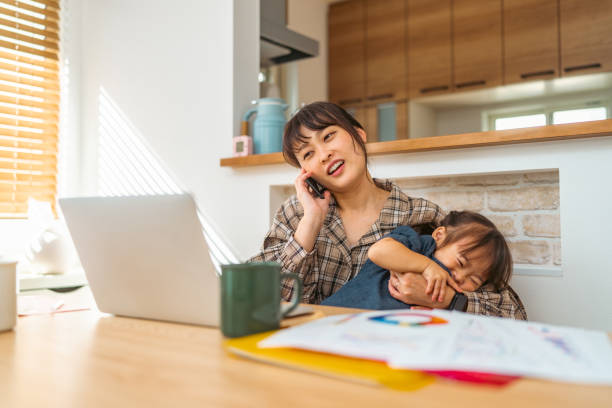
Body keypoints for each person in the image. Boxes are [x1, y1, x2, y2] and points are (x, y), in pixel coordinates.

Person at [248, 101, 527, 319]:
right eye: (308, 154)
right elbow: (255, 303)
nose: (323, 154)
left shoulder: (421, 216)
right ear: (306, 173)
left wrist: (447, 300)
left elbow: (514, 314)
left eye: (329, 136)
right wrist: (310, 224)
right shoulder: (296, 216)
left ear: (358, 134)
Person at [321, 211, 513, 311]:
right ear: (439, 235)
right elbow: (378, 251)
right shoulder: (418, 245)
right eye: (461, 262)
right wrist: (427, 265)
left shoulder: (456, 294)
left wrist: (450, 302)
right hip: (339, 316)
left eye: (475, 280)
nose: (460, 277)